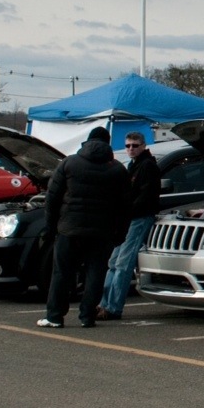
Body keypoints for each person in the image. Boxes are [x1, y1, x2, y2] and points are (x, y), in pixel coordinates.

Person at [37, 127, 131, 328]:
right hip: (101, 231)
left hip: (69, 228)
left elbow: (52, 198)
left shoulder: (69, 163)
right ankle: (87, 316)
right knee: (95, 274)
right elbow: (125, 206)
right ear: (108, 143)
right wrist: (120, 234)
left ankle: (54, 316)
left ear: (88, 141)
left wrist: (51, 227)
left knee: (62, 273)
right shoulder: (117, 169)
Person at [97, 132, 160, 321]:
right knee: (113, 262)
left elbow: (146, 195)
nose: (131, 149)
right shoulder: (133, 165)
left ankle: (113, 307)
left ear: (143, 146)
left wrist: (128, 211)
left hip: (139, 218)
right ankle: (104, 304)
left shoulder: (148, 166)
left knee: (123, 264)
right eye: (128, 146)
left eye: (135, 145)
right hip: (127, 219)